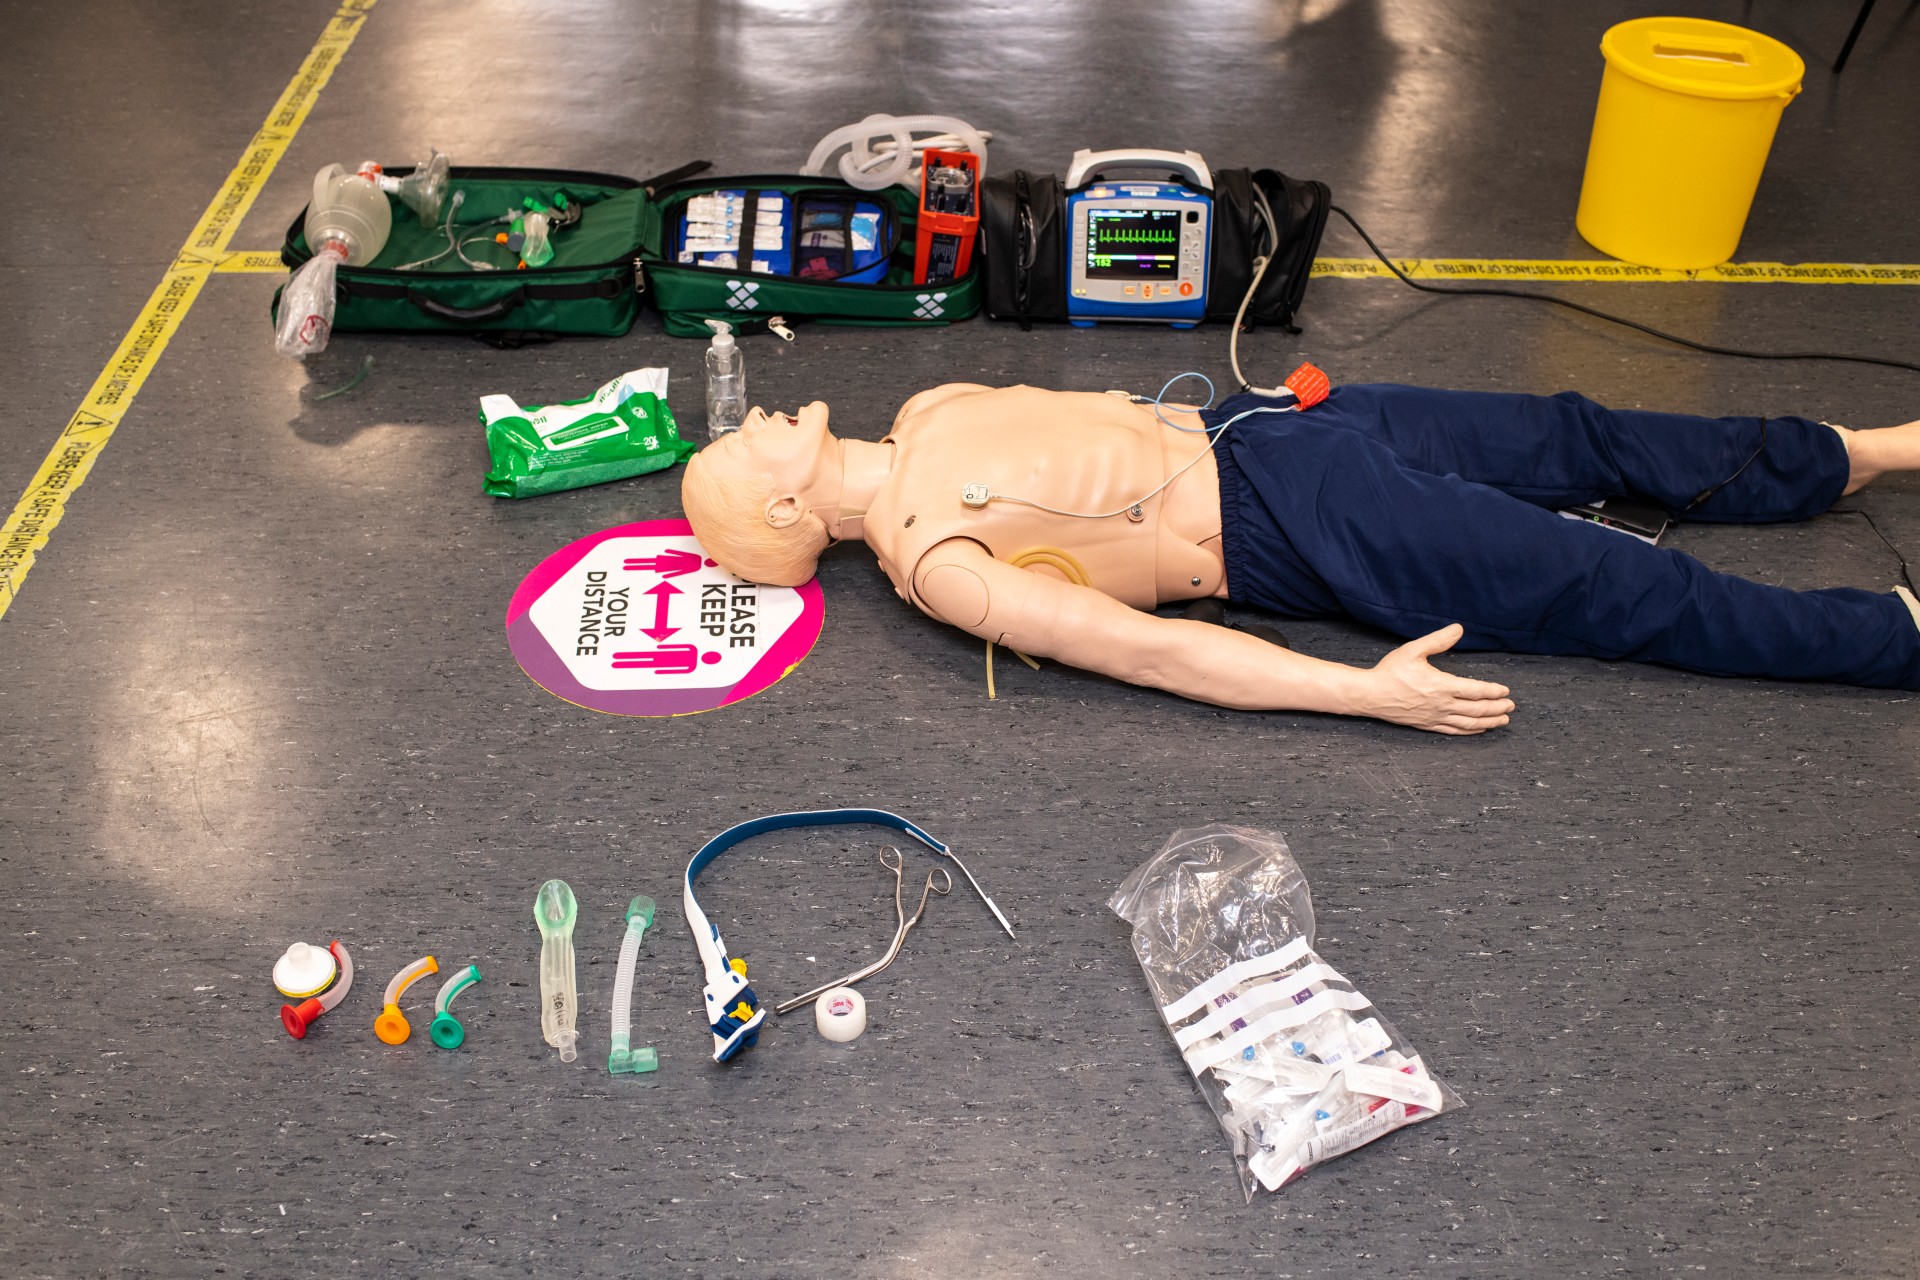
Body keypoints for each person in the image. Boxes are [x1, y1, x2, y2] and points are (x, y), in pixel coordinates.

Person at [680, 380, 1920, 734]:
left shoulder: (926, 408)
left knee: (1572, 432)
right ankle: (1889, 637)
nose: (752, 420)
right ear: (786, 518)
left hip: (1272, 424)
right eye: (745, 453)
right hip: (1294, 531)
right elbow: (1154, 652)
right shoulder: (936, 559)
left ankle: (1861, 451)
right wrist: (1365, 689)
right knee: (1605, 581)